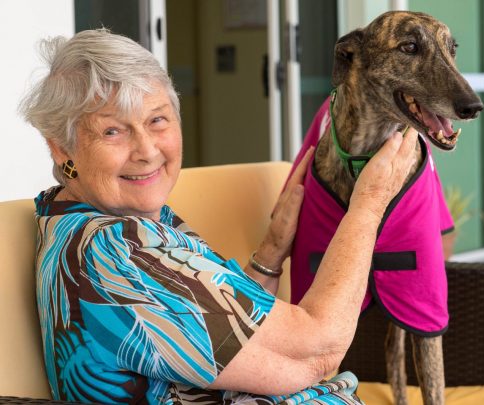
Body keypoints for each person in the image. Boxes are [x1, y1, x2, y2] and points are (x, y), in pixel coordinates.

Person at [20, 29, 419, 404]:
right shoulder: (113, 253)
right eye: (112, 132)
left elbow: (228, 330)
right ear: (62, 148)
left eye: (157, 120)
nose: (146, 150)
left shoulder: (118, 222)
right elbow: (317, 350)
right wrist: (370, 201)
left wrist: (271, 251)